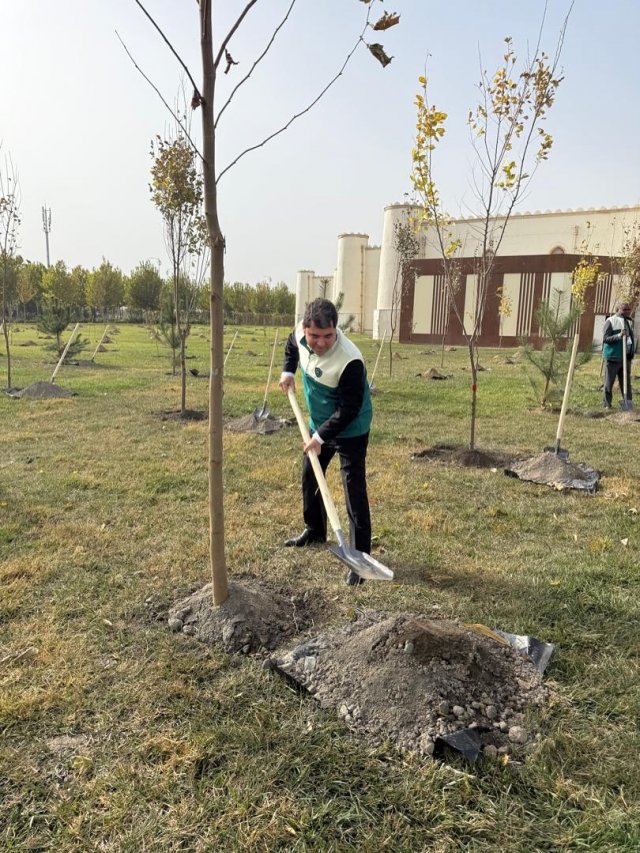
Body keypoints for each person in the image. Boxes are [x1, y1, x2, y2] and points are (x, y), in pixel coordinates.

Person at [279, 298, 373, 585]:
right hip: (318, 423)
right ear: (306, 329)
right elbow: (291, 345)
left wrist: (320, 437)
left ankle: (359, 556)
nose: (321, 343)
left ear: (336, 330)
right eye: (314, 336)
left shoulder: (349, 360)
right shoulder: (299, 334)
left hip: (350, 428)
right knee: (311, 477)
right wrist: (287, 370)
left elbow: (349, 408)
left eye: (328, 336)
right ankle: (315, 530)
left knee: (353, 490)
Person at [602, 302, 635, 408]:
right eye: (625, 309)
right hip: (613, 357)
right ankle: (607, 404)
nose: (627, 311)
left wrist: (630, 353)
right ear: (618, 309)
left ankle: (628, 403)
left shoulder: (629, 322)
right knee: (609, 382)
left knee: (626, 383)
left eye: (628, 309)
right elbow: (605, 339)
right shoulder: (610, 321)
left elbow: (630, 340)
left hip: (625, 358)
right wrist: (619, 335)